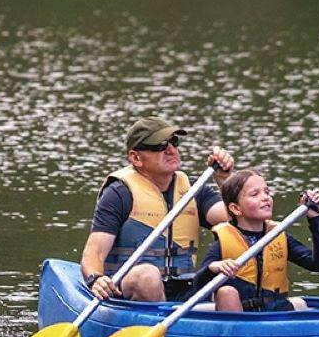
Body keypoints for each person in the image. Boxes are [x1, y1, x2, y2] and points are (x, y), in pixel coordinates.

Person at [81, 116, 234, 302]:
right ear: (135, 158)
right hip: (129, 288)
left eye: (174, 142)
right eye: (160, 146)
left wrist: (224, 181)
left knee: (229, 285)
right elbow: (94, 252)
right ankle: (159, 324)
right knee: (147, 276)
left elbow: (232, 220)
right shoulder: (119, 193)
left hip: (184, 286)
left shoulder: (193, 189)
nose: (171, 150)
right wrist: (96, 278)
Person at [199, 169, 319, 311]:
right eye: (255, 194)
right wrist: (213, 267)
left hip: (275, 314)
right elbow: (198, 284)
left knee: (300, 304)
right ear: (236, 208)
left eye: (267, 192)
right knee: (226, 293)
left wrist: (315, 219)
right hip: (242, 317)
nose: (265, 197)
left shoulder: (277, 234)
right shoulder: (224, 240)